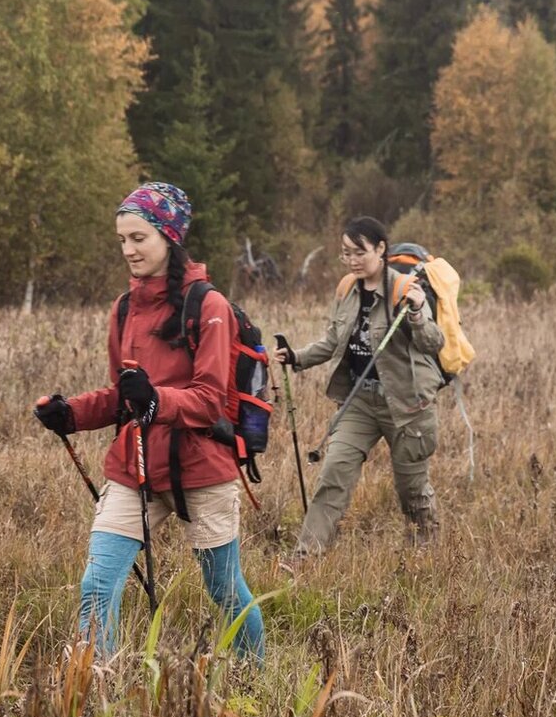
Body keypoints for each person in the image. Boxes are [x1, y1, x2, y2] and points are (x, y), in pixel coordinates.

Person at [33, 182, 264, 660]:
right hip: (134, 466)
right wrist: (69, 414)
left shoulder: (210, 306)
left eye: (139, 238)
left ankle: (254, 684)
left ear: (169, 237)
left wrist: (155, 399)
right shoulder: (124, 309)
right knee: (97, 585)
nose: (129, 250)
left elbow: (209, 401)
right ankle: (96, 692)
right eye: (122, 240)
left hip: (202, 466)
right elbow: (123, 398)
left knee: (224, 591)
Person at [274, 216, 445, 556]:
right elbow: (333, 341)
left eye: (359, 252)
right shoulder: (347, 290)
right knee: (333, 473)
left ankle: (426, 547)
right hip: (360, 401)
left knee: (411, 490)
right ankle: (305, 556)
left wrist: (416, 312)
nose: (352, 260)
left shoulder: (404, 290)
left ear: (381, 249)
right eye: (345, 253)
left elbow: (433, 343)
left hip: (407, 406)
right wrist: (296, 356)